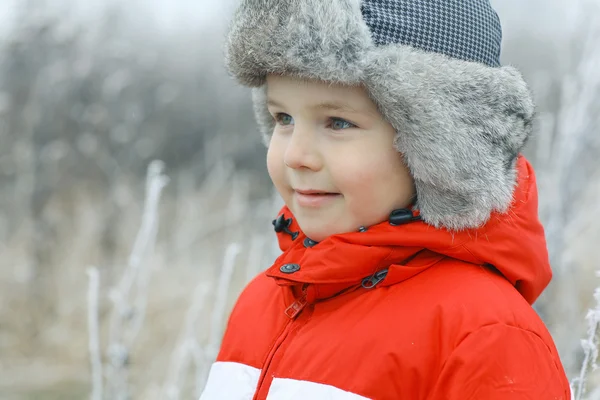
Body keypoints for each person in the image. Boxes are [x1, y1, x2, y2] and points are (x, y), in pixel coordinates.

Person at [200, 0, 571, 398]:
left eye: (338, 122)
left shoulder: (483, 336)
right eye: (283, 119)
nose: (295, 155)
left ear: (436, 146)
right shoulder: (266, 299)